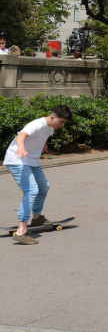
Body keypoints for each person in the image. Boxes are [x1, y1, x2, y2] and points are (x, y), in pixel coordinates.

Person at [5, 105, 72, 244]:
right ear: (52, 117)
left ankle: (36, 217)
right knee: (31, 190)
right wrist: (21, 147)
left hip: (31, 161)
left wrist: (44, 144)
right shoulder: (36, 124)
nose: (62, 125)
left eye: (64, 122)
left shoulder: (50, 127)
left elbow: (42, 135)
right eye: (61, 121)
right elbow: (22, 135)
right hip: (17, 160)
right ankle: (21, 231)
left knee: (43, 187)